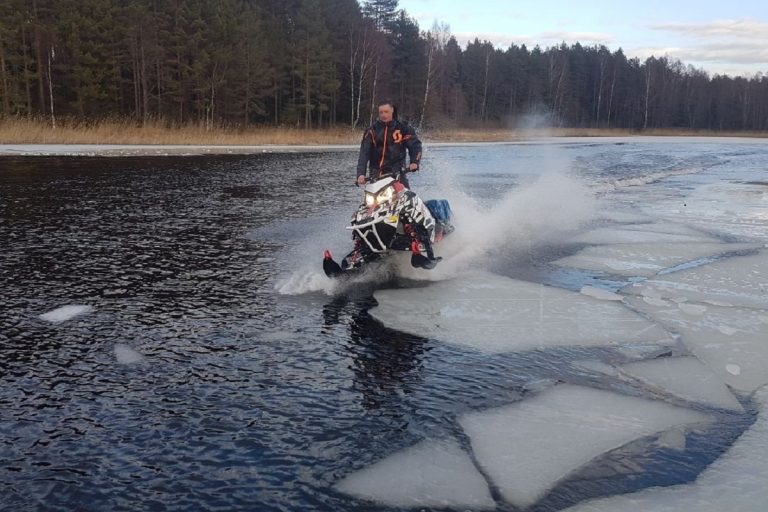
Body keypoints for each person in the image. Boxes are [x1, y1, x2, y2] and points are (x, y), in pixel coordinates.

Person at [356, 100, 422, 187]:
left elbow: (415, 146)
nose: (383, 115)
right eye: (381, 112)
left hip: (398, 172)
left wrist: (414, 162)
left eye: (386, 112)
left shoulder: (403, 128)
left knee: (405, 195)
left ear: (392, 111)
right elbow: (364, 153)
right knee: (371, 199)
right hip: (376, 173)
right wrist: (361, 174)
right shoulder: (371, 131)